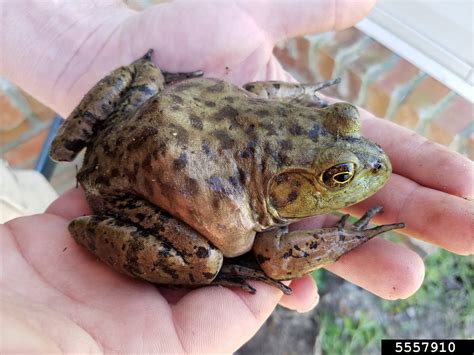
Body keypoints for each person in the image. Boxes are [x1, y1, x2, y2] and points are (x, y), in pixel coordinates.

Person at [1, 0, 472, 353]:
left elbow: (257, 91)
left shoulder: (271, 101)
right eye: (340, 175)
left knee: (146, 77)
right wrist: (344, 237)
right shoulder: (273, 112)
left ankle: (124, 103)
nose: (375, 163)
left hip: (143, 112)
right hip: (119, 194)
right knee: (206, 260)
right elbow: (277, 257)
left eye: (340, 120)